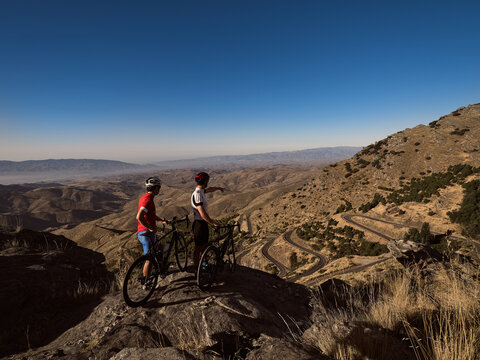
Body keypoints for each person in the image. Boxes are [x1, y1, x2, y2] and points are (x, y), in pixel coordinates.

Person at [191, 172, 224, 270]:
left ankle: (204, 264)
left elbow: (208, 190)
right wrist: (213, 222)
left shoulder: (201, 191)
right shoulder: (197, 194)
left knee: (205, 245)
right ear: (205, 181)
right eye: (207, 181)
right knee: (198, 249)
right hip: (199, 224)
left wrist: (218, 188)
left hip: (202, 223)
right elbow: (202, 213)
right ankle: (197, 270)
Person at [136, 176, 166, 279]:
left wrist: (160, 219)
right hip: (146, 233)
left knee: (160, 247)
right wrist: (150, 228)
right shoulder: (147, 200)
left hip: (149, 233)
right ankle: (146, 281)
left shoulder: (146, 198)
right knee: (149, 259)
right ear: (156, 188)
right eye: (159, 188)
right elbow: (139, 216)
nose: (159, 190)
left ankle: (160, 269)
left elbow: (150, 215)